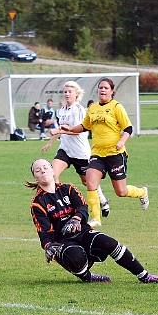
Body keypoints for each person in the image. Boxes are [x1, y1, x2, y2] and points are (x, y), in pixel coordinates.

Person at [27, 158, 158, 284]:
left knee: (110, 243)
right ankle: (88, 277)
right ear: (35, 177)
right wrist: (49, 246)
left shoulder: (68, 189)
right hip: (63, 242)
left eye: (45, 167)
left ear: (53, 170)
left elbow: (82, 207)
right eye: (38, 170)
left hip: (83, 232)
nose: (43, 171)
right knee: (76, 256)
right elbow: (44, 231)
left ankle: (145, 276)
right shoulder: (38, 203)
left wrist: (76, 219)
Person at [59, 78, 149, 228]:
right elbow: (84, 126)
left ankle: (142, 192)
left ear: (112, 91)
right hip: (97, 154)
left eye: (106, 88)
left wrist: (122, 141)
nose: (102, 90)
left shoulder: (116, 107)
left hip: (115, 154)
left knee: (121, 191)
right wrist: (70, 129)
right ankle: (96, 218)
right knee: (90, 181)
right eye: (100, 87)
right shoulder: (93, 108)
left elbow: (128, 129)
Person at [41, 81, 110, 218]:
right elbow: (61, 129)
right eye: (65, 92)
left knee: (87, 182)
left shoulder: (78, 110)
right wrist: (50, 143)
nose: (67, 94)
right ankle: (60, 207)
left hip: (80, 152)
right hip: (65, 150)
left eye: (70, 91)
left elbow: (77, 131)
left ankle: (103, 200)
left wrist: (59, 131)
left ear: (76, 94)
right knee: (53, 174)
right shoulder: (61, 110)